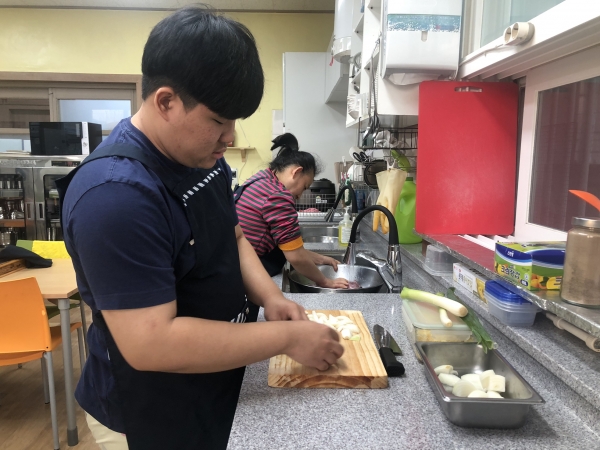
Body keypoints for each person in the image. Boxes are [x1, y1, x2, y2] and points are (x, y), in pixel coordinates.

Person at [58, 6, 343, 450]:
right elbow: (152, 342)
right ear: (166, 102)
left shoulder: (198, 156)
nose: (230, 137)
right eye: (218, 120)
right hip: (150, 410)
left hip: (211, 385)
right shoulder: (115, 196)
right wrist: (285, 337)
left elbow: (233, 235)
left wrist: (270, 298)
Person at [234, 133, 349, 296]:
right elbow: (296, 256)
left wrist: (321, 259)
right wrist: (325, 282)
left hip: (234, 265)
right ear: (296, 172)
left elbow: (291, 247)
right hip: (244, 275)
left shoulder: (261, 178)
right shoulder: (278, 196)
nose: (300, 196)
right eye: (304, 187)